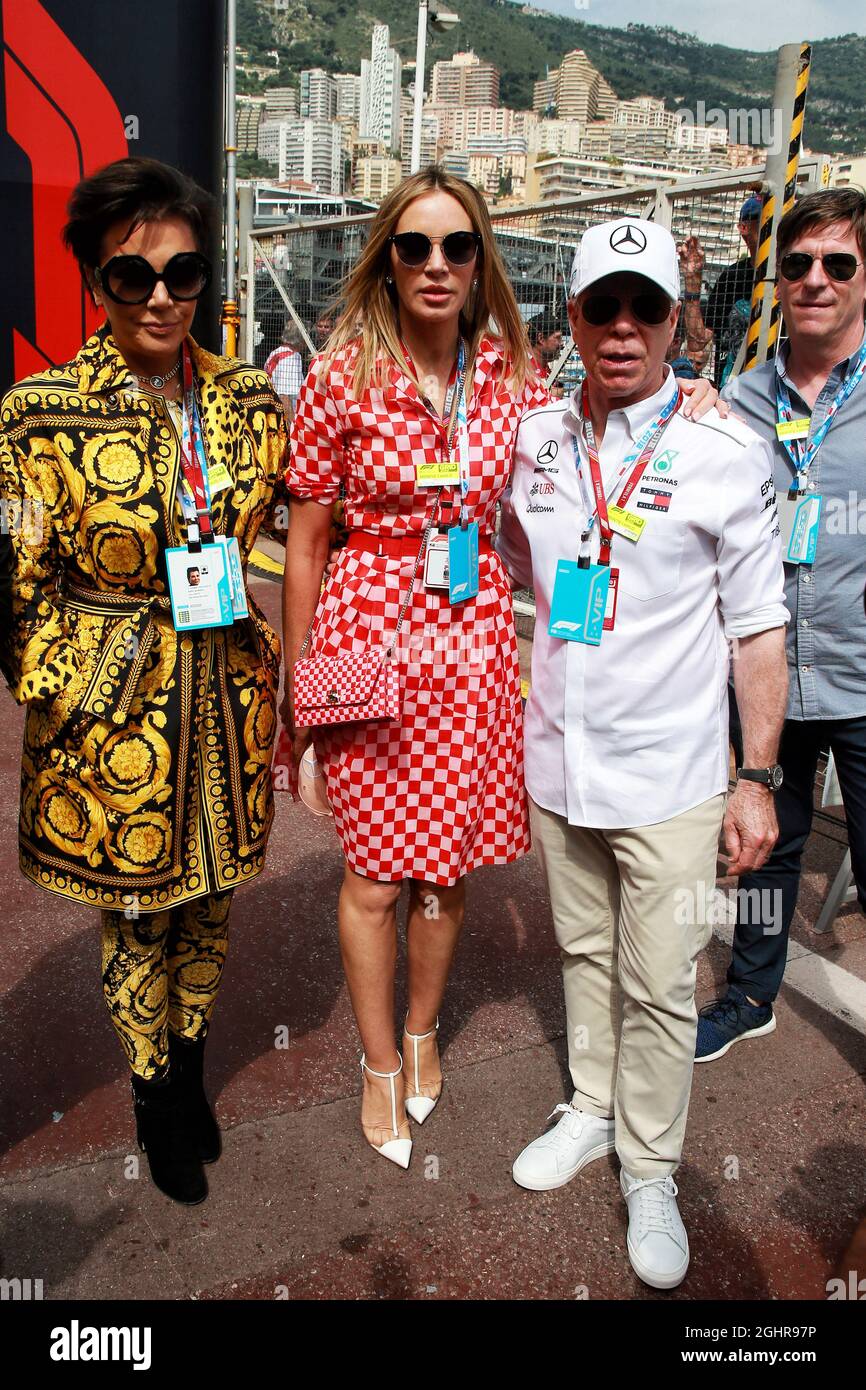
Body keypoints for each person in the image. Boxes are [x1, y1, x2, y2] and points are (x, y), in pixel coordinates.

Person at [499, 217, 790, 1288]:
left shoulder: (723, 450)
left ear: (677, 322)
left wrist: (755, 778)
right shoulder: (531, 439)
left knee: (661, 979)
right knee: (580, 955)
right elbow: (510, 560)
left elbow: (759, 628)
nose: (621, 330)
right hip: (559, 763)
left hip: (671, 777)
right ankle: (587, 1105)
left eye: (645, 308)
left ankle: (651, 1163)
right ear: (571, 317)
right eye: (600, 308)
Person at [0, 157, 286, 1205]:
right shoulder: (39, 413)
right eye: (133, 276)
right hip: (112, 707)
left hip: (222, 693)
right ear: (94, 282)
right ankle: (154, 1091)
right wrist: (67, 682)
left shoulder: (250, 398)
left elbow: (326, 508)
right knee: (134, 910)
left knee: (209, 895)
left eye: (182, 272)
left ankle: (194, 1064)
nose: (161, 296)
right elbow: (13, 576)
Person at [280, 166, 550, 1170]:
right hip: (363, 631)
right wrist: (296, 690)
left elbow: (598, 441)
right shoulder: (340, 377)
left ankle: (428, 1028)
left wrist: (683, 392)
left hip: (471, 640)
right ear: (386, 263)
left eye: (456, 246)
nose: (435, 265)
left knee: (445, 869)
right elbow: (306, 543)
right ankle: (379, 1060)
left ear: (481, 263)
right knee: (373, 877)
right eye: (413, 246)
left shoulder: (515, 378)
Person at [696, 188, 866, 1063]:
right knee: (762, 848)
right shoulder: (738, 399)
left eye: (838, 263)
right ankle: (751, 993)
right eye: (797, 264)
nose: (815, 279)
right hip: (771, 675)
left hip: (863, 673)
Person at [678, 194, 762, 388]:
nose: (771, 228)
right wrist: (692, 282)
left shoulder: (791, 274)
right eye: (763, 220)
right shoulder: (732, 277)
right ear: (744, 228)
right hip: (731, 390)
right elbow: (699, 339)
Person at [264, 323, 305, 423]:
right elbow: (285, 396)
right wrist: (293, 425)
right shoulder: (291, 357)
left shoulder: (276, 352)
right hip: (285, 417)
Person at [528, 310, 564, 378]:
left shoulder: (543, 370)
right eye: (557, 337)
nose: (561, 343)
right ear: (541, 338)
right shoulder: (529, 375)